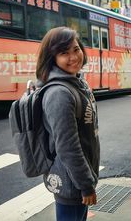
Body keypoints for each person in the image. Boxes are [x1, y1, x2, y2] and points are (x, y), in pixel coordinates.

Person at [36, 27, 100, 221]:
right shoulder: (60, 94)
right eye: (64, 53)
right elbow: (67, 147)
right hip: (71, 183)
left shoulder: (76, 83)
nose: (73, 57)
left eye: (76, 49)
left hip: (76, 180)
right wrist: (85, 185)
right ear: (52, 58)